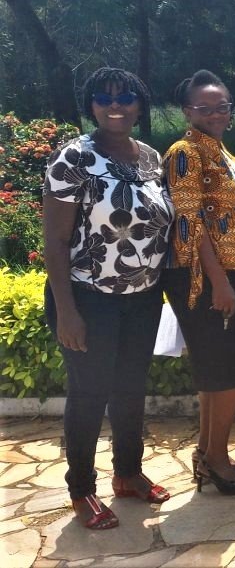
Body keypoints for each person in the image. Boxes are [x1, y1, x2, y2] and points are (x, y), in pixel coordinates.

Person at [43, 67, 174, 529]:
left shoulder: (150, 159)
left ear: (140, 105)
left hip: (142, 297)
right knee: (89, 394)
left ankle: (128, 474)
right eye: (104, 97)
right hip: (88, 297)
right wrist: (67, 312)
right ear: (91, 105)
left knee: (130, 389)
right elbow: (56, 241)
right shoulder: (73, 158)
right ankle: (81, 489)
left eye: (125, 97)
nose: (115, 105)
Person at [162, 70, 235, 495]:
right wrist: (219, 281)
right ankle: (217, 460)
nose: (216, 114)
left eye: (222, 107)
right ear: (188, 111)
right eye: (205, 108)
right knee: (229, 370)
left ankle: (208, 452)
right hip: (203, 275)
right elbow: (191, 219)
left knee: (216, 370)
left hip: (230, 271)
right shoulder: (185, 152)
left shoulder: (223, 154)